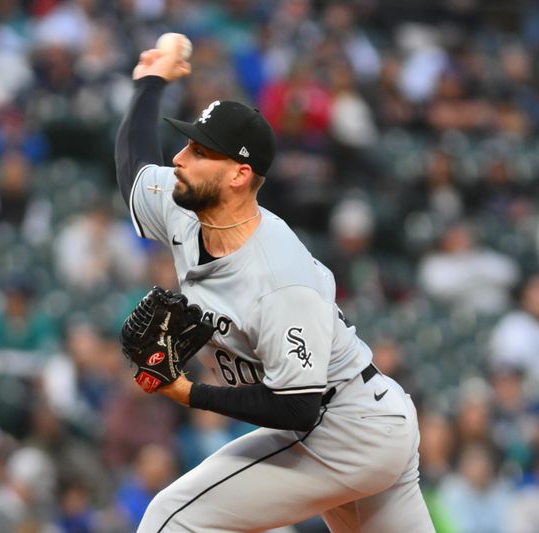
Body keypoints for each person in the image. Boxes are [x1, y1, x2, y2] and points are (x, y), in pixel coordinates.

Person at [114, 36, 434, 532]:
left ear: (239, 175)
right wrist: (151, 82)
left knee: (170, 520)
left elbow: (297, 406)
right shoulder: (185, 206)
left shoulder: (281, 278)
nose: (178, 158)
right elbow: (134, 169)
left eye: (198, 151)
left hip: (344, 426)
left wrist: (187, 393)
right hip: (362, 421)